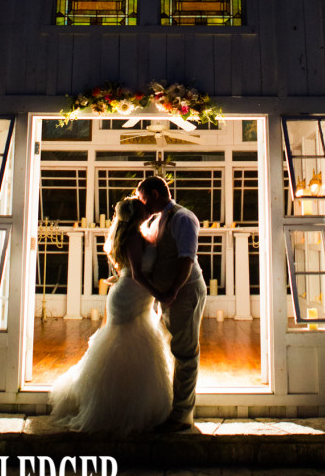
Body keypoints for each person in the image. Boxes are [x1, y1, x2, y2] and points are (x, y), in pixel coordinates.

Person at [48, 196, 173, 434]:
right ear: (136, 213)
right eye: (142, 207)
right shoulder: (134, 237)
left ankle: (128, 402)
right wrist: (160, 294)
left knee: (132, 343)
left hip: (131, 292)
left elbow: (128, 269)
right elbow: (137, 273)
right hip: (130, 296)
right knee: (125, 343)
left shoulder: (136, 234)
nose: (147, 210)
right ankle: (115, 408)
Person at [136, 175, 207, 433]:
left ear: (154, 194)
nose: (142, 206)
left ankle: (181, 416)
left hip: (185, 293)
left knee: (186, 352)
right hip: (170, 295)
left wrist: (173, 291)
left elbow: (186, 260)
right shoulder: (159, 218)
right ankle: (174, 407)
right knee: (176, 349)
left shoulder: (183, 218)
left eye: (142, 199)